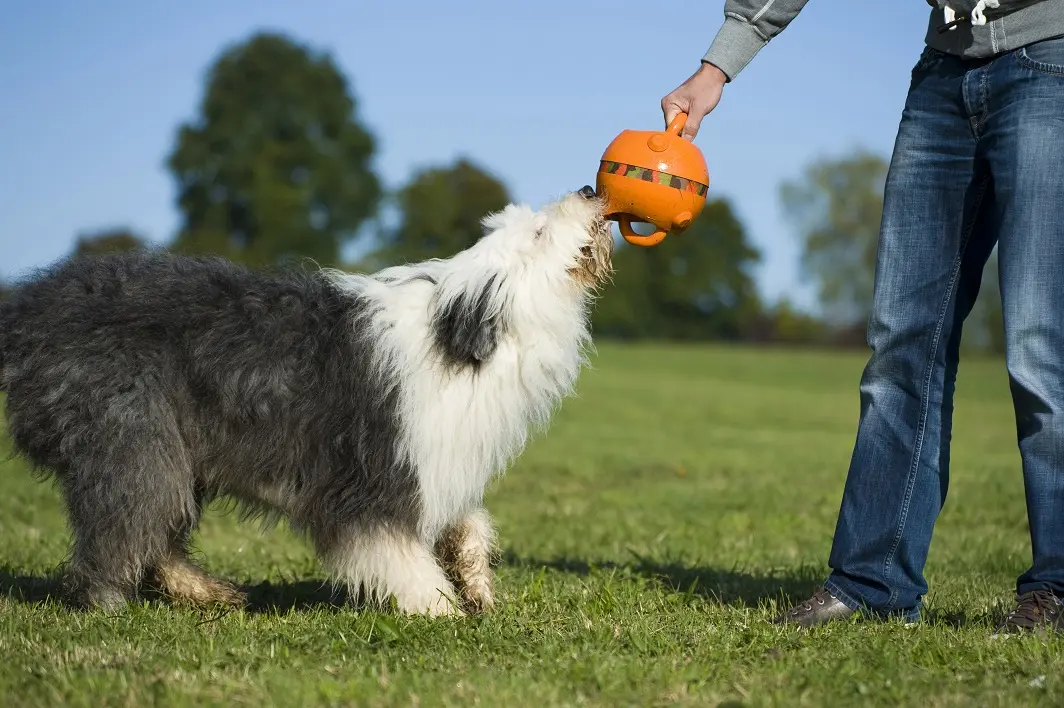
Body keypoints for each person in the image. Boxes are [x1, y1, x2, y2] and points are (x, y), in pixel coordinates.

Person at [661, 0, 1064, 635]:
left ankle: (1057, 590)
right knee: (903, 346)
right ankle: (873, 583)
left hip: (1053, 56)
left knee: (1042, 346)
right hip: (944, 71)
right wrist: (717, 65)